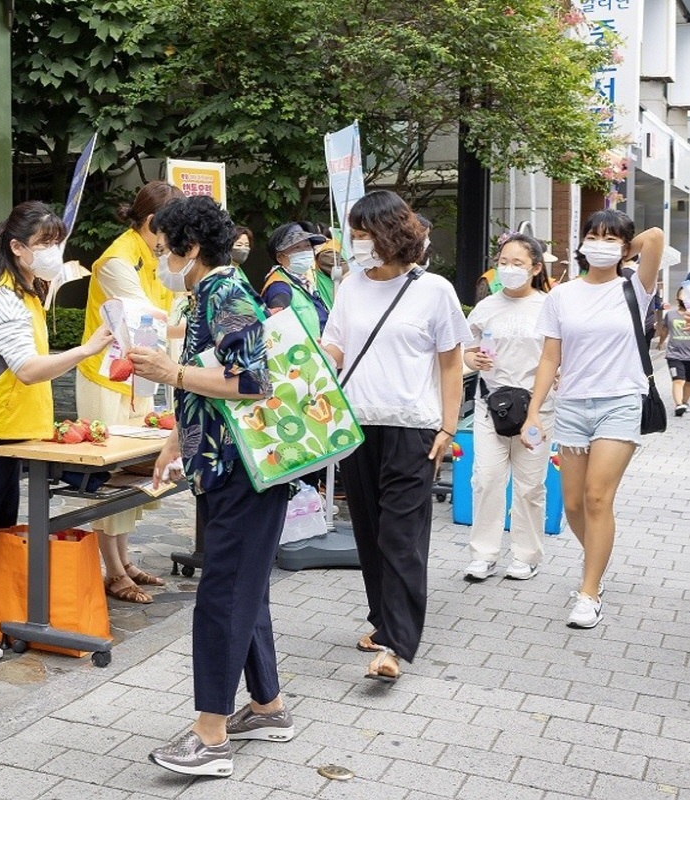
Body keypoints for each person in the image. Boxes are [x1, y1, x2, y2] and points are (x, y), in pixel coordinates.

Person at [129, 196, 294, 777]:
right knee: (243, 588)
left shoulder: (224, 293)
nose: (159, 260)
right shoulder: (206, 293)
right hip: (229, 467)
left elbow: (251, 381)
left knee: (222, 595)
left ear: (189, 249)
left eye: (162, 250)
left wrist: (168, 372)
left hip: (245, 474)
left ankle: (210, 737)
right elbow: (210, 383)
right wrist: (178, 438)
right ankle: (268, 707)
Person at [0, 201, 113, 661]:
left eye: (58, 242)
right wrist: (86, 348)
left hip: (12, 428)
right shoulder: (1, 299)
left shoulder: (27, 289)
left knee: (0, 526)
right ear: (16, 247)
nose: (54, 251)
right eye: (44, 244)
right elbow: (30, 369)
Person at [320, 190, 470, 682]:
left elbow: (451, 364)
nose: (355, 244)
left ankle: (396, 646)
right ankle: (383, 620)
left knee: (401, 537)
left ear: (389, 235)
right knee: (368, 530)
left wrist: (448, 426)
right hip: (357, 425)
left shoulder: (436, 291)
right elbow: (337, 346)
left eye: (363, 235)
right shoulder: (349, 285)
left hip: (413, 428)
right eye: (354, 234)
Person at [521, 211, 665, 629]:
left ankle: (589, 590)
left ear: (623, 246)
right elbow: (551, 356)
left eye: (610, 238)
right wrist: (534, 409)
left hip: (621, 401)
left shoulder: (635, 285)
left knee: (598, 498)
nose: (598, 243)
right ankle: (597, 562)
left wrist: (620, 253)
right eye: (592, 236)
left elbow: (654, 236)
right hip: (572, 406)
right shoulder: (562, 296)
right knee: (573, 505)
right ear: (580, 243)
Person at [76, 181, 183, 604]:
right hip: (106, 378)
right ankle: (114, 571)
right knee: (111, 475)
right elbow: (153, 316)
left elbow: (169, 311)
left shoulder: (150, 254)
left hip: (140, 375)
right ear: (154, 223)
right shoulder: (116, 261)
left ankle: (123, 559)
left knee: (133, 470)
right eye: (171, 230)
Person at [463, 234, 553, 582]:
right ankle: (483, 554)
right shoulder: (486, 307)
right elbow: (463, 353)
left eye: (518, 263)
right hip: (492, 405)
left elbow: (559, 355)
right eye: (504, 262)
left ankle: (526, 555)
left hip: (537, 408)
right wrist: (473, 358)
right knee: (486, 479)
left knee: (530, 485)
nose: (509, 269)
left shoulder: (548, 306)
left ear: (535, 267)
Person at [261, 222, 329, 337]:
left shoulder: (304, 281)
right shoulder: (279, 285)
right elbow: (278, 311)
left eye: (307, 246)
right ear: (280, 258)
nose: (304, 252)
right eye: (296, 248)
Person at [664, 285, 690, 416]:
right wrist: (661, 342)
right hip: (674, 354)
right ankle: (679, 405)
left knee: (688, 383)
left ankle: (685, 402)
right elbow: (664, 330)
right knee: (678, 380)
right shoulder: (670, 315)